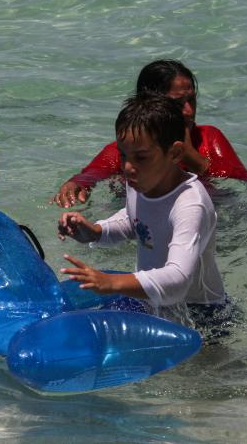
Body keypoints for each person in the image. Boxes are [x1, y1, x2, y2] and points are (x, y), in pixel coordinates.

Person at [57, 93, 228, 328]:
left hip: (202, 315)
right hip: (153, 300)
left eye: (141, 157)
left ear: (175, 153)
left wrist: (111, 282)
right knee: (86, 324)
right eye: (123, 155)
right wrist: (96, 231)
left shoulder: (190, 204)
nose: (128, 167)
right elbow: (134, 220)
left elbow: (178, 280)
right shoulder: (142, 180)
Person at [52, 59, 247, 208]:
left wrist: (189, 154)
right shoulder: (128, 150)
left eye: (192, 100)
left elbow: (240, 185)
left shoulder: (208, 138)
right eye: (178, 103)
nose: (189, 111)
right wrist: (75, 185)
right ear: (149, 105)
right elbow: (90, 176)